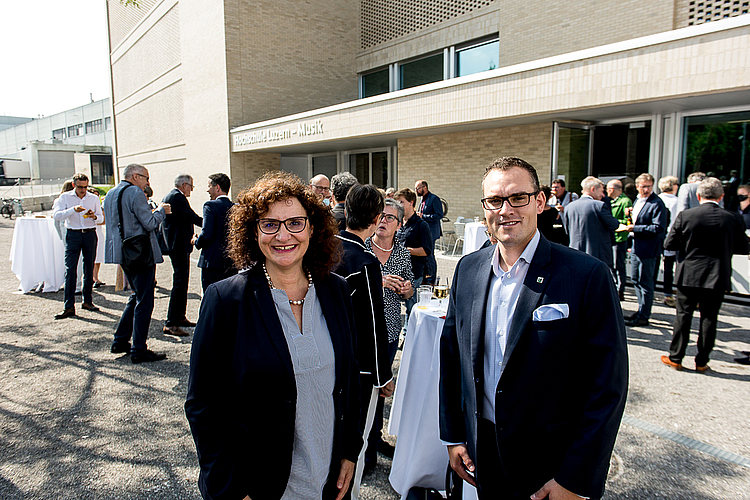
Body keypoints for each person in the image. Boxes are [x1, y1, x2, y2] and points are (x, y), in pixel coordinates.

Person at [439, 156, 628, 500]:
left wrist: (576, 477)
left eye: (518, 198)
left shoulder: (586, 275)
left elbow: (608, 387)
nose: (505, 209)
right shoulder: (468, 270)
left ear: (539, 201)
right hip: (485, 454)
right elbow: (452, 361)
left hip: (553, 465)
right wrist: (454, 436)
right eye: (495, 200)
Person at [185, 171, 362, 500]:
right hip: (258, 486)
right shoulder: (227, 300)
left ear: (312, 227)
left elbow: (350, 378)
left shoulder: (336, 290)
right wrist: (232, 488)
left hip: (329, 480)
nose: (283, 235)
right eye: (270, 224)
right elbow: (202, 404)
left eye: (295, 222)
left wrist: (351, 450)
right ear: (253, 232)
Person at [333, 183, 394, 497]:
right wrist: (383, 375)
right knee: (353, 439)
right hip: (356, 366)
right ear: (376, 220)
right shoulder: (364, 261)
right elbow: (373, 323)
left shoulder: (323, 245)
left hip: (324, 354)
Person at [661, 177, 749, 372]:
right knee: (709, 318)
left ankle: (676, 358)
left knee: (683, 316)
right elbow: (744, 247)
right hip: (717, 274)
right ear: (721, 196)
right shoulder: (733, 218)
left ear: (698, 196)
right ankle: (701, 361)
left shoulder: (687, 215)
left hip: (689, 274)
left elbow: (669, 244)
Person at [364, 198, 414, 471]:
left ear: (399, 224)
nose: (383, 221)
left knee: (381, 390)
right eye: (380, 215)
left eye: (389, 218)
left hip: (390, 331)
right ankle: (365, 448)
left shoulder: (402, 254)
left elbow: (409, 291)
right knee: (365, 389)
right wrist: (379, 279)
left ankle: (376, 437)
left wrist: (407, 289)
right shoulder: (362, 249)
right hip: (365, 332)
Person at [104, 164, 171, 363]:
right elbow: (149, 223)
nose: (147, 182)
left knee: (136, 295)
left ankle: (120, 340)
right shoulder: (135, 193)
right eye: (145, 178)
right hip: (139, 252)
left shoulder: (110, 194)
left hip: (121, 252)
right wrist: (161, 211)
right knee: (144, 300)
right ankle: (138, 348)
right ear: (135, 176)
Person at [52, 173, 103, 319]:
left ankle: (88, 301)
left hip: (89, 234)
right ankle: (69, 306)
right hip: (73, 234)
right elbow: (56, 215)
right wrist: (73, 210)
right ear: (74, 185)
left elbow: (101, 218)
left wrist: (94, 216)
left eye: (86, 187)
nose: (83, 190)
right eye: (80, 187)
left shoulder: (93, 198)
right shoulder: (65, 197)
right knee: (70, 269)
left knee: (88, 267)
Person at [623, 173, 668, 327]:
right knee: (635, 279)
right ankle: (640, 310)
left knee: (646, 282)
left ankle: (644, 315)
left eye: (649, 186)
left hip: (648, 249)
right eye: (643, 186)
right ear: (637, 187)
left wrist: (634, 228)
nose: (646, 189)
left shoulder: (657, 203)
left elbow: (658, 227)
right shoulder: (638, 200)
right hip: (637, 246)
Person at [162, 174, 203, 337]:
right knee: (179, 282)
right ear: (184, 185)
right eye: (191, 187)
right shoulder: (176, 197)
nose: (191, 190)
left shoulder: (173, 196)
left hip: (178, 245)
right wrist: (212, 223)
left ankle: (179, 316)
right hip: (177, 245)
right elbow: (191, 217)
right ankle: (171, 321)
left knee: (182, 281)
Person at [562, 176, 619, 270]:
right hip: (597, 256)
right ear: (593, 189)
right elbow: (614, 224)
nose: (603, 195)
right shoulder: (599, 206)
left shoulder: (569, 207)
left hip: (574, 253)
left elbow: (567, 230)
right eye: (601, 191)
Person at [192, 173, 236, 291]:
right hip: (231, 262)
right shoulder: (235, 207)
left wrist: (196, 241)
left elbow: (207, 234)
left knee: (211, 298)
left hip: (212, 263)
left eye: (209, 186)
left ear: (217, 187)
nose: (207, 190)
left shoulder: (210, 206)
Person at [394, 187, 433, 321]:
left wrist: (407, 250)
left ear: (411, 203)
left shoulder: (421, 225)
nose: (398, 206)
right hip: (398, 273)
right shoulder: (399, 223)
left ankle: (409, 338)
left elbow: (427, 251)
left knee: (413, 311)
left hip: (414, 273)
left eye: (401, 202)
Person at [607, 179, 632, 300]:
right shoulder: (612, 201)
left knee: (618, 265)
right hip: (612, 237)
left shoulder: (625, 201)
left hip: (620, 238)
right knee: (612, 266)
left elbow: (628, 221)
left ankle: (620, 290)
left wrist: (612, 222)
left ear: (612, 190)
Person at [415, 180, 443, 284]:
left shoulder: (434, 199)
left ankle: (432, 279)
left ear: (425, 187)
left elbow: (439, 215)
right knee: (425, 255)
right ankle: (425, 277)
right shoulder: (422, 199)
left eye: (418, 188)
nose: (416, 191)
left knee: (430, 255)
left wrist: (424, 216)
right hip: (423, 232)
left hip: (431, 232)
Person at [657, 176, 680, 307]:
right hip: (670, 237)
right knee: (669, 267)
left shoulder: (657, 199)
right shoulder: (676, 201)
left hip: (659, 237)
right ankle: (668, 293)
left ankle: (665, 293)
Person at [89, 186, 107, 288]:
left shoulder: (100, 208)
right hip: (90, 231)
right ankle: (91, 277)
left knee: (98, 256)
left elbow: (104, 221)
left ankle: (95, 277)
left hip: (98, 232)